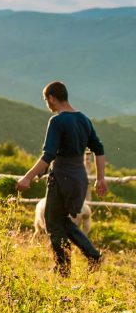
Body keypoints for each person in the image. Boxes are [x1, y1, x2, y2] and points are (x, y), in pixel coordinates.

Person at [17, 81, 108, 276]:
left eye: (46, 100)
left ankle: (63, 268)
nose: (47, 105)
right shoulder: (84, 119)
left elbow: (48, 155)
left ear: (51, 98)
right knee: (62, 220)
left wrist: (27, 177)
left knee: (52, 222)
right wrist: (101, 179)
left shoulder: (57, 121)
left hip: (61, 179)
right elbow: (99, 149)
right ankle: (93, 255)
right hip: (79, 180)